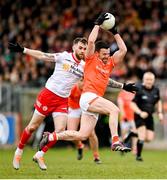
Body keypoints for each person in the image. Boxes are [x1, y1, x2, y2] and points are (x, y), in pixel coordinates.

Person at [39, 13, 139, 168]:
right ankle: (115, 141)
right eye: (104, 54)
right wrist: (97, 25)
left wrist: (116, 32)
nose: (107, 56)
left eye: (108, 53)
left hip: (94, 101)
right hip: (88, 97)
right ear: (97, 53)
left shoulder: (110, 63)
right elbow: (91, 41)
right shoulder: (91, 58)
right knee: (114, 109)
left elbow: (123, 50)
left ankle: (52, 136)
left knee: (82, 135)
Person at [8, 37, 88, 170]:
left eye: (85, 49)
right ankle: (18, 152)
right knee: (32, 127)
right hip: (48, 95)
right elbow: (43, 56)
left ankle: (40, 154)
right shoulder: (63, 57)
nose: (82, 51)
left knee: (60, 131)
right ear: (74, 47)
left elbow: (99, 77)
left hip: (62, 100)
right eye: (80, 48)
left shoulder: (84, 66)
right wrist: (23, 50)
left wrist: (121, 85)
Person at [130, 72, 164, 161]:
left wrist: (160, 113)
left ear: (154, 80)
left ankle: (133, 134)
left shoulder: (156, 89)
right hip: (139, 116)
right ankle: (138, 156)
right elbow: (132, 104)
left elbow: (158, 101)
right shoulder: (139, 89)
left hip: (150, 116)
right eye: (147, 79)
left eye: (151, 80)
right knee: (141, 135)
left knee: (149, 138)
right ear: (143, 80)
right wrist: (140, 112)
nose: (149, 81)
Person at [68, 78, 102, 164]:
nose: (83, 83)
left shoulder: (89, 90)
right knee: (70, 133)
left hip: (85, 108)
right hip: (74, 108)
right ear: (76, 81)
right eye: (81, 80)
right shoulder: (72, 89)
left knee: (91, 133)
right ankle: (80, 145)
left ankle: (96, 156)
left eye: (84, 80)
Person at [117, 77, 138, 154]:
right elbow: (120, 106)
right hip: (125, 117)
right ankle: (121, 147)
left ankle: (134, 149)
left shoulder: (134, 94)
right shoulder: (122, 94)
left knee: (135, 132)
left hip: (133, 117)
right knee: (124, 134)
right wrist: (123, 115)